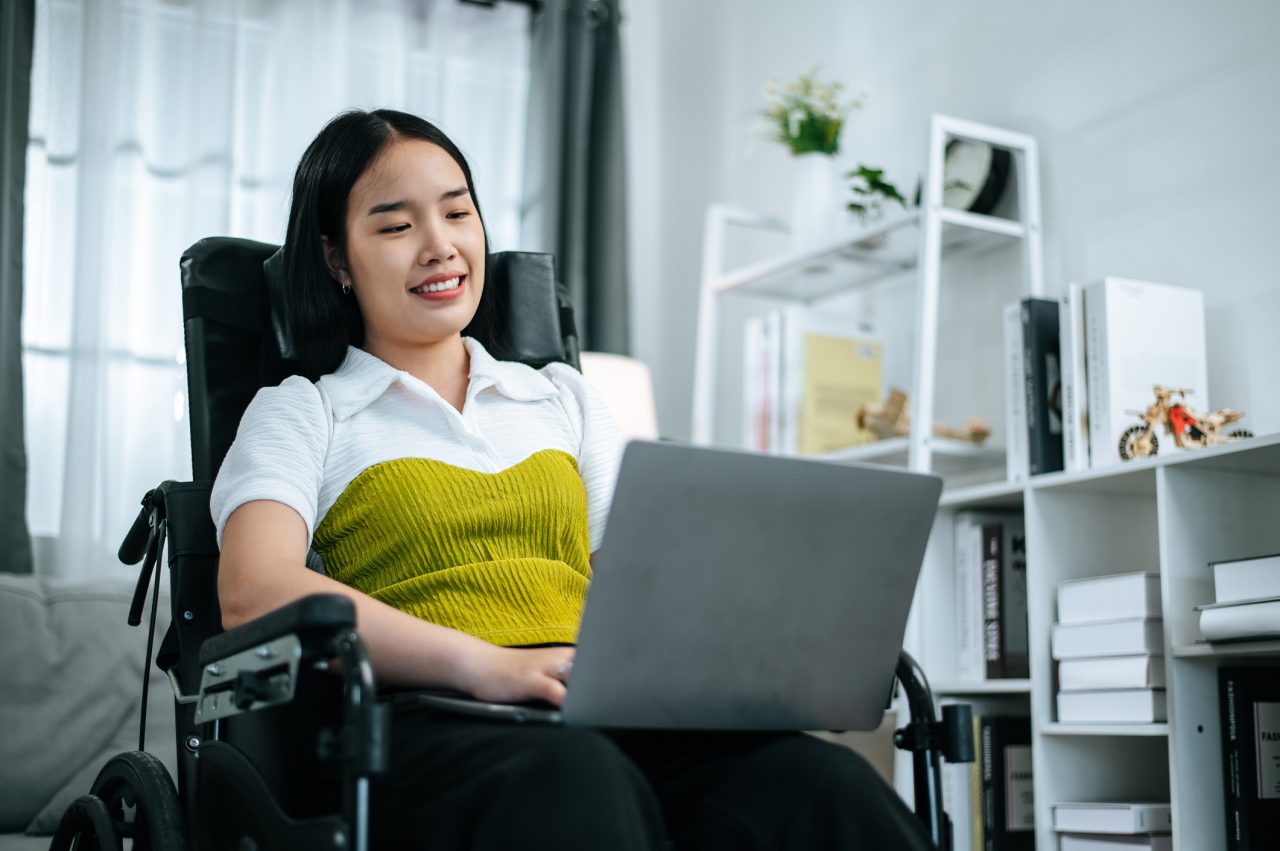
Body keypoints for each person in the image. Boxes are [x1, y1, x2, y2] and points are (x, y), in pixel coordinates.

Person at [211, 108, 933, 851]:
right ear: (337, 259)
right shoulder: (306, 410)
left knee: (823, 784)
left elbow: (639, 578)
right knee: (578, 777)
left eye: (458, 212)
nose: (441, 246)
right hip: (422, 725)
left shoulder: (560, 397)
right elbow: (253, 588)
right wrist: (487, 664)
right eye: (395, 227)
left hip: (598, 708)